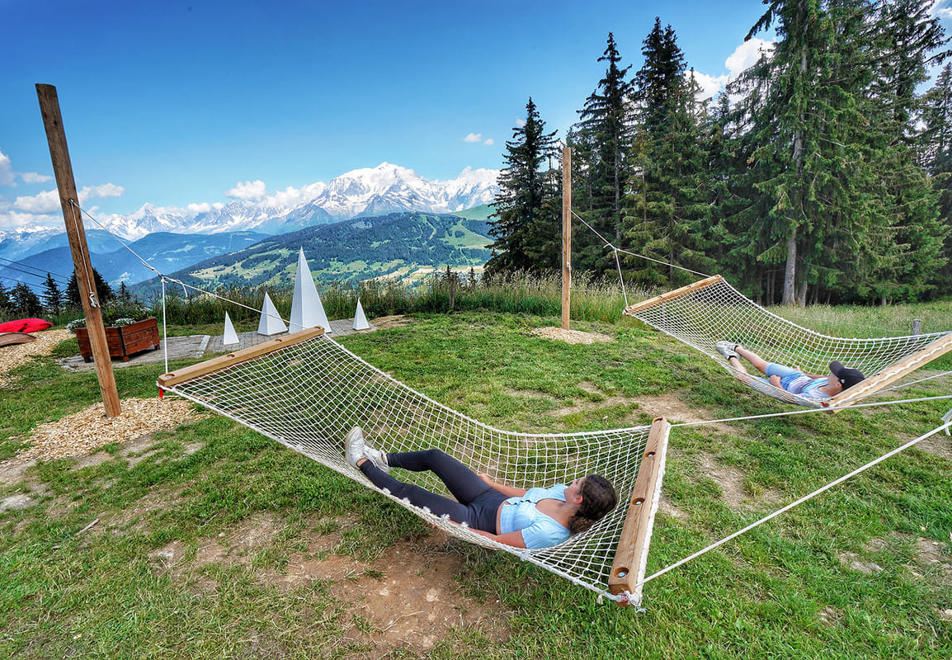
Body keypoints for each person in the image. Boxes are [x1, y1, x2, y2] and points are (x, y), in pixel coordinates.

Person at [345, 427, 617, 550]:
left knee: (413, 494)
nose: (572, 482)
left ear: (579, 499)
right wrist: (491, 484)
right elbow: (527, 495)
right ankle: (384, 460)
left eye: (577, 483)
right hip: (489, 498)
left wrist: (453, 528)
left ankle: (360, 461)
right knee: (435, 457)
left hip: (477, 520)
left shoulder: (550, 532)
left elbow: (497, 542)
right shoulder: (560, 495)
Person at [715, 341, 866, 401]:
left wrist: (776, 384)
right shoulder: (830, 382)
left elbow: (791, 399)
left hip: (783, 389)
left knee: (743, 377)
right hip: (796, 376)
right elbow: (820, 377)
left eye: (835, 373)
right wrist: (803, 373)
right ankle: (736, 347)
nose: (831, 373)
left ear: (839, 385)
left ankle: (731, 356)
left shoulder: (817, 397)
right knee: (762, 365)